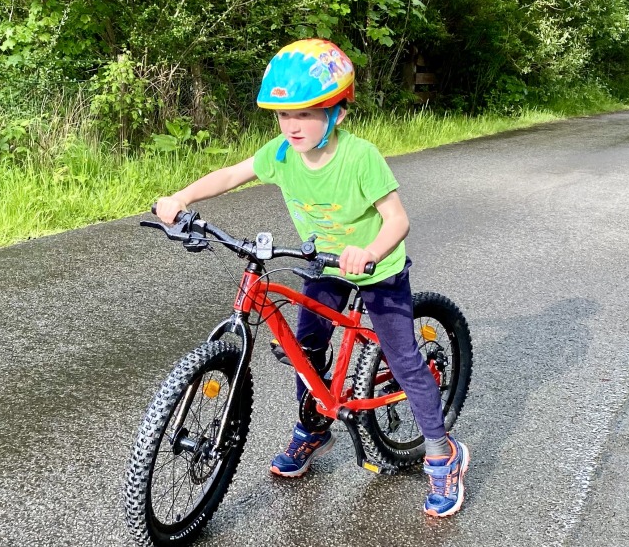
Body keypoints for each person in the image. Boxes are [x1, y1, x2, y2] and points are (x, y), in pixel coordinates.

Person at [154, 38, 470, 517]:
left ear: (338, 113)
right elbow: (232, 174)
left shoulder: (360, 157)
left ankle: (443, 454)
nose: (292, 126)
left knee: (405, 360)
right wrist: (181, 198)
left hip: (376, 270)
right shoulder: (281, 154)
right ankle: (313, 427)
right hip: (324, 264)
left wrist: (370, 251)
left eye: (306, 114)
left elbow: (398, 221)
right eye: (284, 116)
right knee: (307, 345)